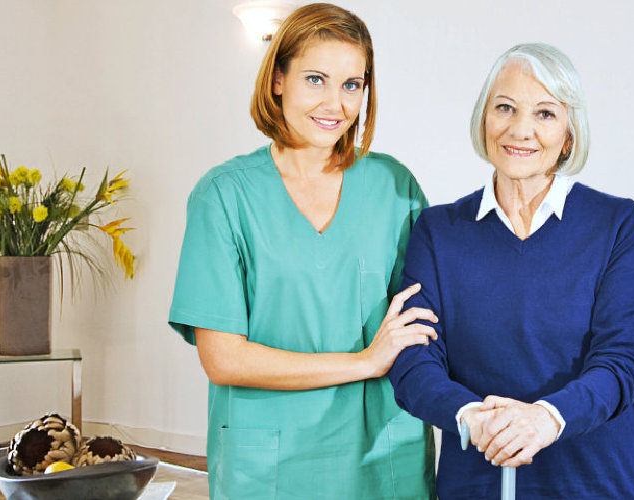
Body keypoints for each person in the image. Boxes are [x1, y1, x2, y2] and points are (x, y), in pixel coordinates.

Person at [167, 4, 434, 499]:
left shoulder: (394, 187)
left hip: (381, 452)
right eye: (316, 79)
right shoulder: (224, 196)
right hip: (269, 464)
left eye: (352, 84)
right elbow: (223, 359)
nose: (335, 103)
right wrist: (364, 362)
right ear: (277, 80)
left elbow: (432, 319)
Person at [388, 43, 634, 499]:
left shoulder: (619, 224)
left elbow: (622, 360)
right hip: (478, 478)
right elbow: (413, 360)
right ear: (484, 120)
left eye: (546, 114)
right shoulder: (437, 232)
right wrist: (473, 417)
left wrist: (545, 419)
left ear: (570, 134)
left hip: (597, 479)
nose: (521, 129)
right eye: (505, 108)